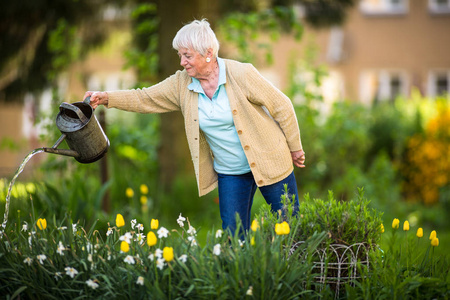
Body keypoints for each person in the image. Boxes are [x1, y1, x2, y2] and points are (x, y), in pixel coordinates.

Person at [85, 19, 306, 234]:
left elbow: (282, 106)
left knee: (290, 227)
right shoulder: (181, 84)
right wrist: (106, 98)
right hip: (230, 172)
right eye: (180, 55)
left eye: (187, 55)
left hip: (271, 159)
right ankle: (241, 273)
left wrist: (295, 147)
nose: (182, 62)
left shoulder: (241, 74)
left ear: (208, 53)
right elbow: (145, 98)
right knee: (233, 236)